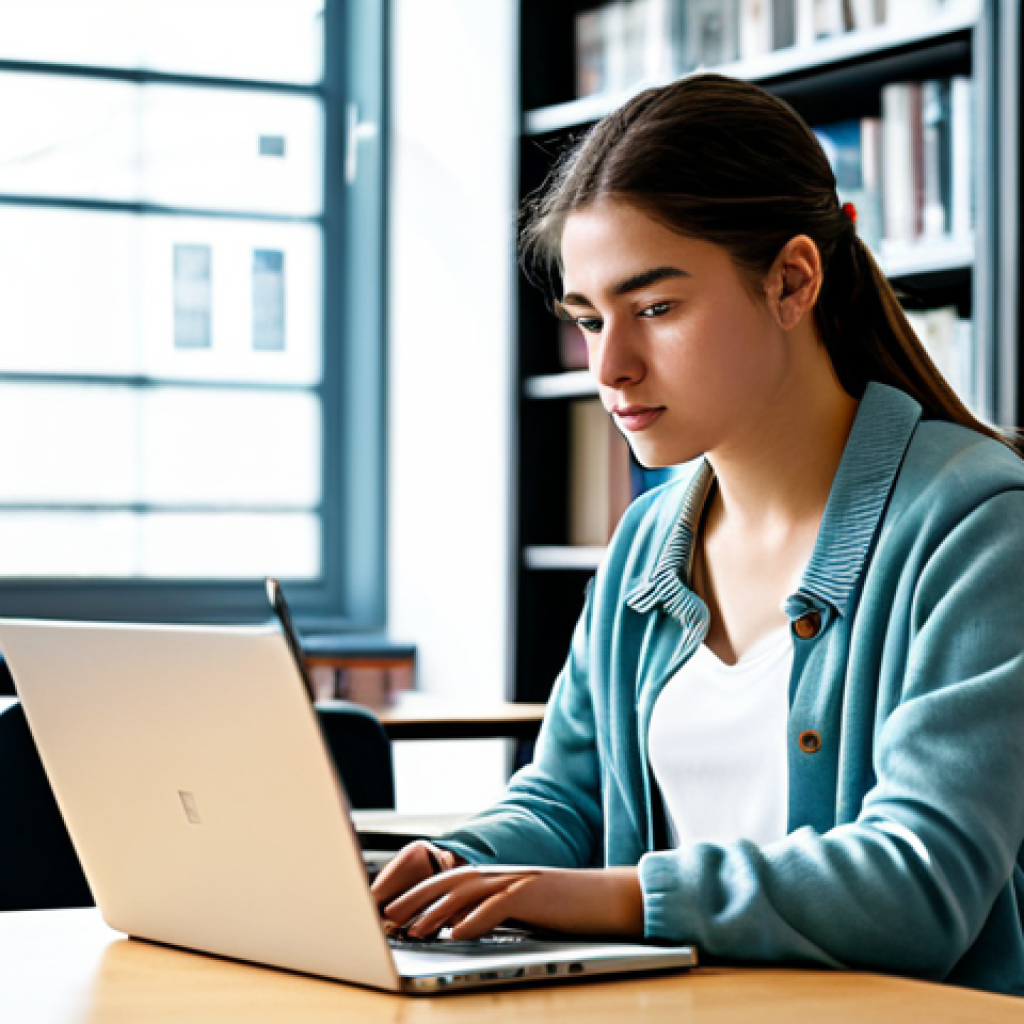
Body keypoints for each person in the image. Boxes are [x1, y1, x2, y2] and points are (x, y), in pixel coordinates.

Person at [371, 73, 1024, 996]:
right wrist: (445, 867)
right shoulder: (648, 540)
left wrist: (617, 899)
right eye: (589, 319)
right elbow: (565, 802)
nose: (611, 367)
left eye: (655, 308)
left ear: (792, 279)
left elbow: (919, 884)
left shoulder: (976, 523)